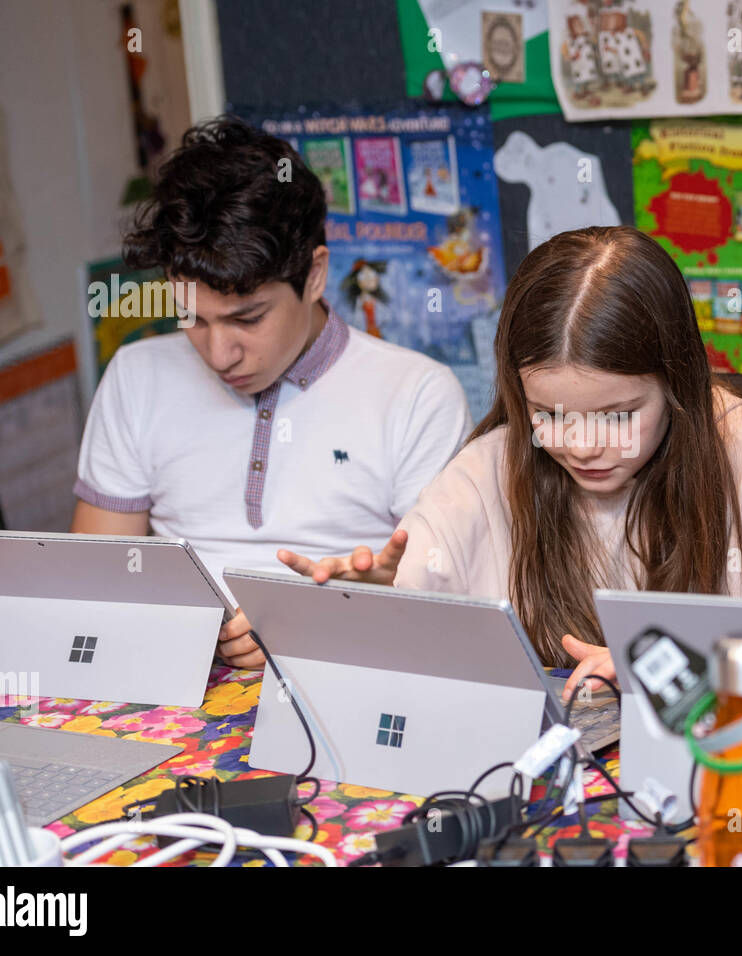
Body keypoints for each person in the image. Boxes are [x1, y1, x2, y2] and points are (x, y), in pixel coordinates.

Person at [279, 226, 742, 698]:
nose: (583, 445)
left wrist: (685, 670)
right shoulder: (484, 473)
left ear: (677, 381)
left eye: (618, 415)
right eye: (549, 412)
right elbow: (417, 662)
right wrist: (375, 605)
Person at [72, 117, 471, 668]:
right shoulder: (136, 377)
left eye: (247, 318)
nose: (218, 354)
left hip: (349, 674)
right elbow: (98, 583)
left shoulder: (418, 396)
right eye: (191, 317)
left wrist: (322, 622)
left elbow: (454, 616)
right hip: (171, 677)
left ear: (314, 276)